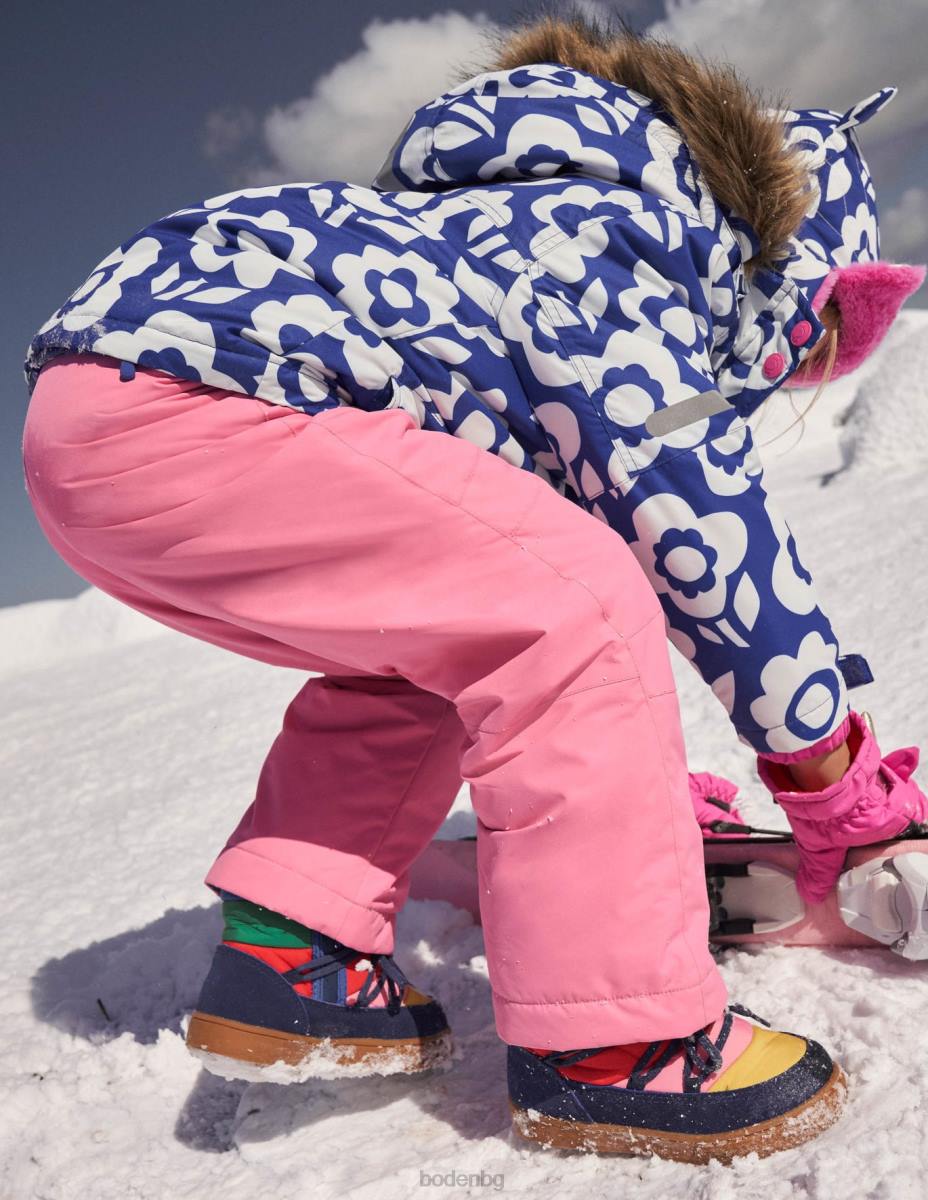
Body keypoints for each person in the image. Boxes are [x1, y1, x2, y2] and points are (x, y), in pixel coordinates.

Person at [20, 12, 927, 1165]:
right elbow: (709, 548)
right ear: (782, 265)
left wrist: (631, 792)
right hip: (202, 406)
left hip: (99, 420)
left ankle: (292, 958)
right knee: (579, 608)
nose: (765, 378)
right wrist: (844, 801)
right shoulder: (617, 245)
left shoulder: (500, 221)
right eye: (802, 345)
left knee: (449, 636)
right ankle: (616, 1044)